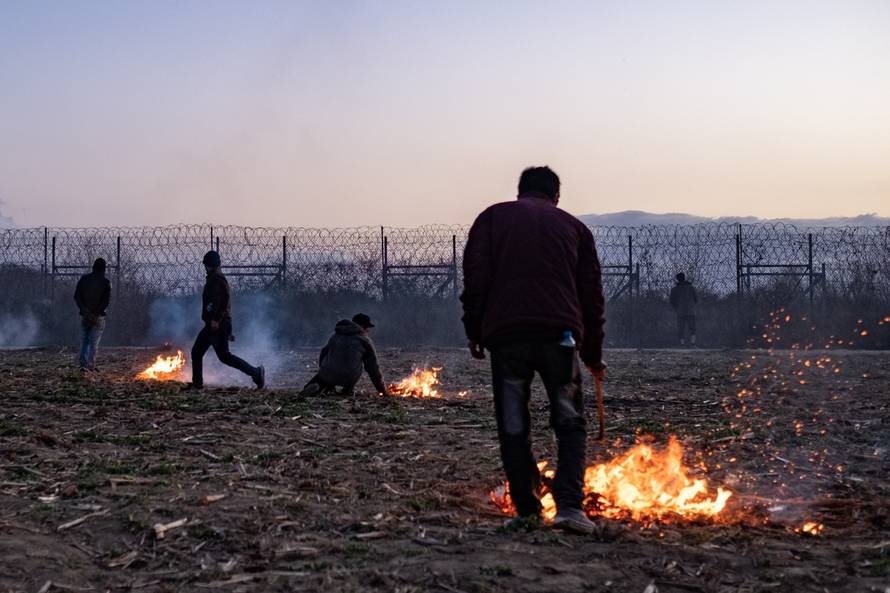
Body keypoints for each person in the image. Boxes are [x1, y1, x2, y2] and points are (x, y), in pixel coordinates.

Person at [461, 166, 606, 535]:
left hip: (508, 338)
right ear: (556, 196)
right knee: (569, 420)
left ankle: (527, 510)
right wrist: (592, 354)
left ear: (519, 191)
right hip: (560, 338)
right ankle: (569, 508)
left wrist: (474, 329)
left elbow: (476, 278)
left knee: (513, 422)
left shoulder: (492, 219)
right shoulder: (574, 228)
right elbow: (591, 296)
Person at [182, 250, 265, 390]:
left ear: (210, 265)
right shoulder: (214, 278)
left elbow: (223, 300)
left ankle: (256, 373)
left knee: (222, 356)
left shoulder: (217, 279)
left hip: (218, 324)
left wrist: (216, 319)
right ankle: (197, 383)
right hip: (215, 324)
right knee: (201, 352)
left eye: (206, 265)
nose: (205, 267)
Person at [300, 313, 388, 397]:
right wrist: (382, 391)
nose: (368, 331)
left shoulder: (335, 336)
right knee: (356, 365)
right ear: (362, 326)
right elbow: (373, 368)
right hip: (349, 378)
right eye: (367, 328)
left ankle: (324, 387)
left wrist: (322, 369)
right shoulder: (365, 341)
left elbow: (323, 353)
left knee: (316, 383)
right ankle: (347, 390)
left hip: (328, 373)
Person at [74, 258, 112, 371]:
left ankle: (83, 365)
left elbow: (76, 296)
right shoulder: (106, 282)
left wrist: (84, 310)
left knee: (85, 340)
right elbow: (106, 301)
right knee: (94, 342)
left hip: (85, 315)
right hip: (98, 316)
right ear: (104, 269)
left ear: (93, 267)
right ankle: (90, 365)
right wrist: (96, 312)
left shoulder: (84, 279)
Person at [669, 272, 698, 347]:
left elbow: (671, 301)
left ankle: (682, 344)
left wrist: (676, 307)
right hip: (691, 311)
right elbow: (696, 299)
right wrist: (692, 305)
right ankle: (693, 343)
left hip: (680, 311)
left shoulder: (675, 289)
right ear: (684, 278)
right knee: (692, 328)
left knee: (681, 328)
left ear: (677, 279)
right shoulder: (691, 287)